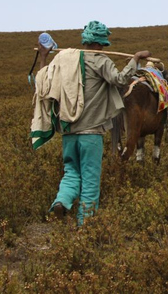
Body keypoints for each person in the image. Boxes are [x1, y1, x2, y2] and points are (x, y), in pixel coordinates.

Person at [37, 21, 151, 225]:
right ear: (101, 44)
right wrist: (134, 59)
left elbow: (43, 81)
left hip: (69, 132)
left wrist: (44, 56)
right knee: (90, 180)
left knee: (71, 173)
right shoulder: (101, 61)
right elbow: (120, 80)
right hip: (91, 133)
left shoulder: (65, 60)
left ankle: (61, 201)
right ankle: (86, 227)